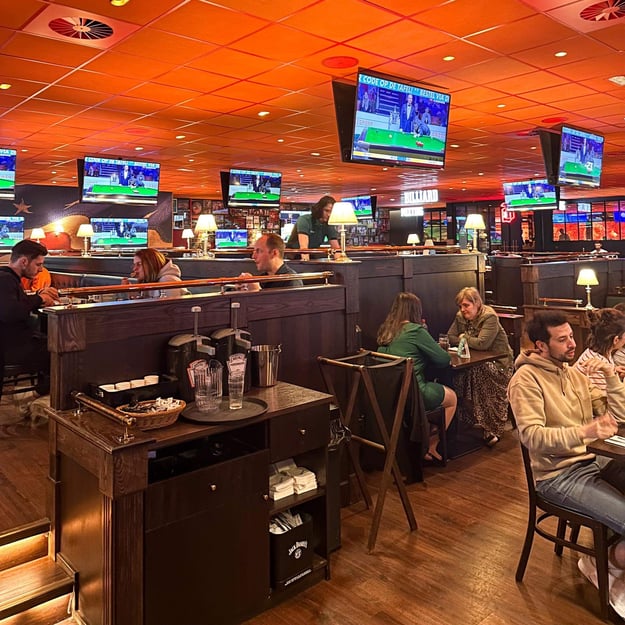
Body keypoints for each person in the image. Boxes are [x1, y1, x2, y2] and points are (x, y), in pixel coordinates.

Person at [508, 310, 625, 611]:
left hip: (592, 462)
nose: (572, 344)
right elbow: (532, 436)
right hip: (557, 478)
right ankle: (600, 561)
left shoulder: (573, 374)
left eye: (571, 336)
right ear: (540, 346)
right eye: (562, 340)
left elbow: (619, 416)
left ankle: (612, 553)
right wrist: (584, 431)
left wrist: (611, 377)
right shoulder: (525, 380)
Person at [377, 292, 457, 462]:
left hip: (390, 394)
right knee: (452, 398)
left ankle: (421, 440)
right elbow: (444, 360)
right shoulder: (416, 330)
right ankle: (431, 445)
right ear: (415, 311)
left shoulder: (386, 330)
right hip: (414, 394)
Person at [447, 286, 513, 445]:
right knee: (458, 374)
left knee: (478, 371)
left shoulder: (489, 317)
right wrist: (467, 339)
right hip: (473, 361)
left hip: (499, 364)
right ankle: (467, 420)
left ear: (477, 303)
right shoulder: (460, 316)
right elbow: (450, 336)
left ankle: (490, 427)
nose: (463, 310)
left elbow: (483, 343)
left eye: (466, 305)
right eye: (461, 306)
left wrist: (463, 337)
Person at [0, 240, 58, 395]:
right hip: (10, 347)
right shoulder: (5, 279)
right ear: (24, 261)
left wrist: (38, 296)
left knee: (52, 342)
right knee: (60, 350)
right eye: (38, 264)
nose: (40, 270)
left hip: (12, 342)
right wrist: (40, 300)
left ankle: (40, 395)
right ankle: (42, 396)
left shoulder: (9, 278)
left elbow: (17, 304)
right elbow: (10, 312)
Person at [575, 308, 625, 394]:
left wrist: (614, 370)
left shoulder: (604, 352)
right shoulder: (595, 366)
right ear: (616, 340)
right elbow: (609, 402)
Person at [238, 233, 303, 291]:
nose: (253, 256)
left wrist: (257, 292)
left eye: (258, 251)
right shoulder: (263, 278)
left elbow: (286, 304)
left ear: (274, 253)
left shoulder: (292, 281)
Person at [285, 195, 341, 260]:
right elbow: (304, 248)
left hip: (311, 254)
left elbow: (336, 249)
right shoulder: (304, 220)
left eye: (331, 212)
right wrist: (306, 265)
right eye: (326, 211)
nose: (329, 215)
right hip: (292, 257)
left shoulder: (328, 224)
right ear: (319, 209)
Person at [123, 248, 187, 298]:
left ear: (151, 264)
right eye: (134, 265)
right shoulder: (148, 280)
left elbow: (170, 310)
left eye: (139, 264)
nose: (134, 269)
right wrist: (131, 292)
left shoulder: (168, 280)